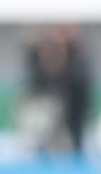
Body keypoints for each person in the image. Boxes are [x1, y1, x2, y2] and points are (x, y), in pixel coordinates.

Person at [21, 24, 93, 155]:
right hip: (46, 108)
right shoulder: (38, 63)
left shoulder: (76, 63)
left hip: (69, 112)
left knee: (68, 144)